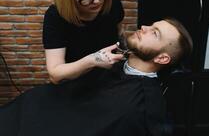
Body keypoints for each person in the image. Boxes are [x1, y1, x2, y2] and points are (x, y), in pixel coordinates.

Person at [0, 18, 193, 136]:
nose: (143, 27)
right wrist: (90, 61)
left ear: (162, 57)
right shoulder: (112, 64)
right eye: (150, 25)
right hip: (37, 109)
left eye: (154, 33)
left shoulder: (139, 107)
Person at [43, 0, 125, 85]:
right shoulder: (55, 17)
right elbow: (55, 74)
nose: (97, 1)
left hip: (111, 80)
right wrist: (92, 60)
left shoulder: (112, 2)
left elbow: (120, 35)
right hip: (75, 85)